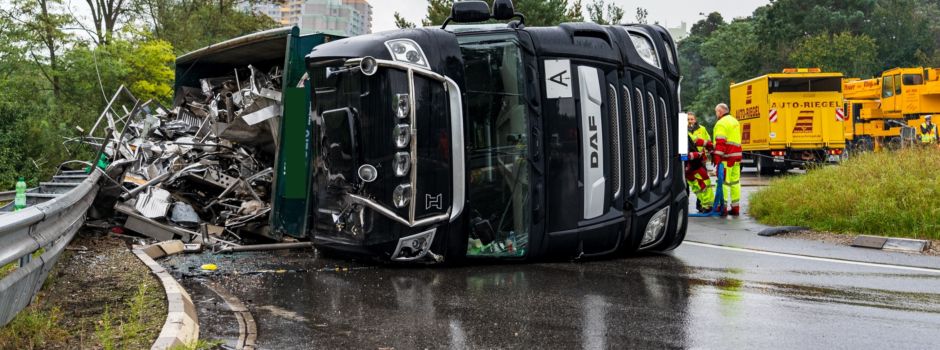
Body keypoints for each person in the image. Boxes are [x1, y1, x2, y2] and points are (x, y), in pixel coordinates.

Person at [712, 103, 742, 216]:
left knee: (723, 182)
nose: (716, 114)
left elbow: (720, 142)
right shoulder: (735, 121)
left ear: (720, 112)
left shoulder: (721, 123)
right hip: (736, 158)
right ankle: (735, 208)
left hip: (726, 159)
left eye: (716, 112)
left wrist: (717, 158)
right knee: (735, 183)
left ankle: (722, 208)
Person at [686, 134, 715, 213]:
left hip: (687, 169)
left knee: (697, 188)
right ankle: (708, 206)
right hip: (694, 165)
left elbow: (698, 140)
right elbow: (684, 156)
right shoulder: (681, 134)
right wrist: (698, 154)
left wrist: (710, 145)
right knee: (705, 185)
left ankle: (705, 205)